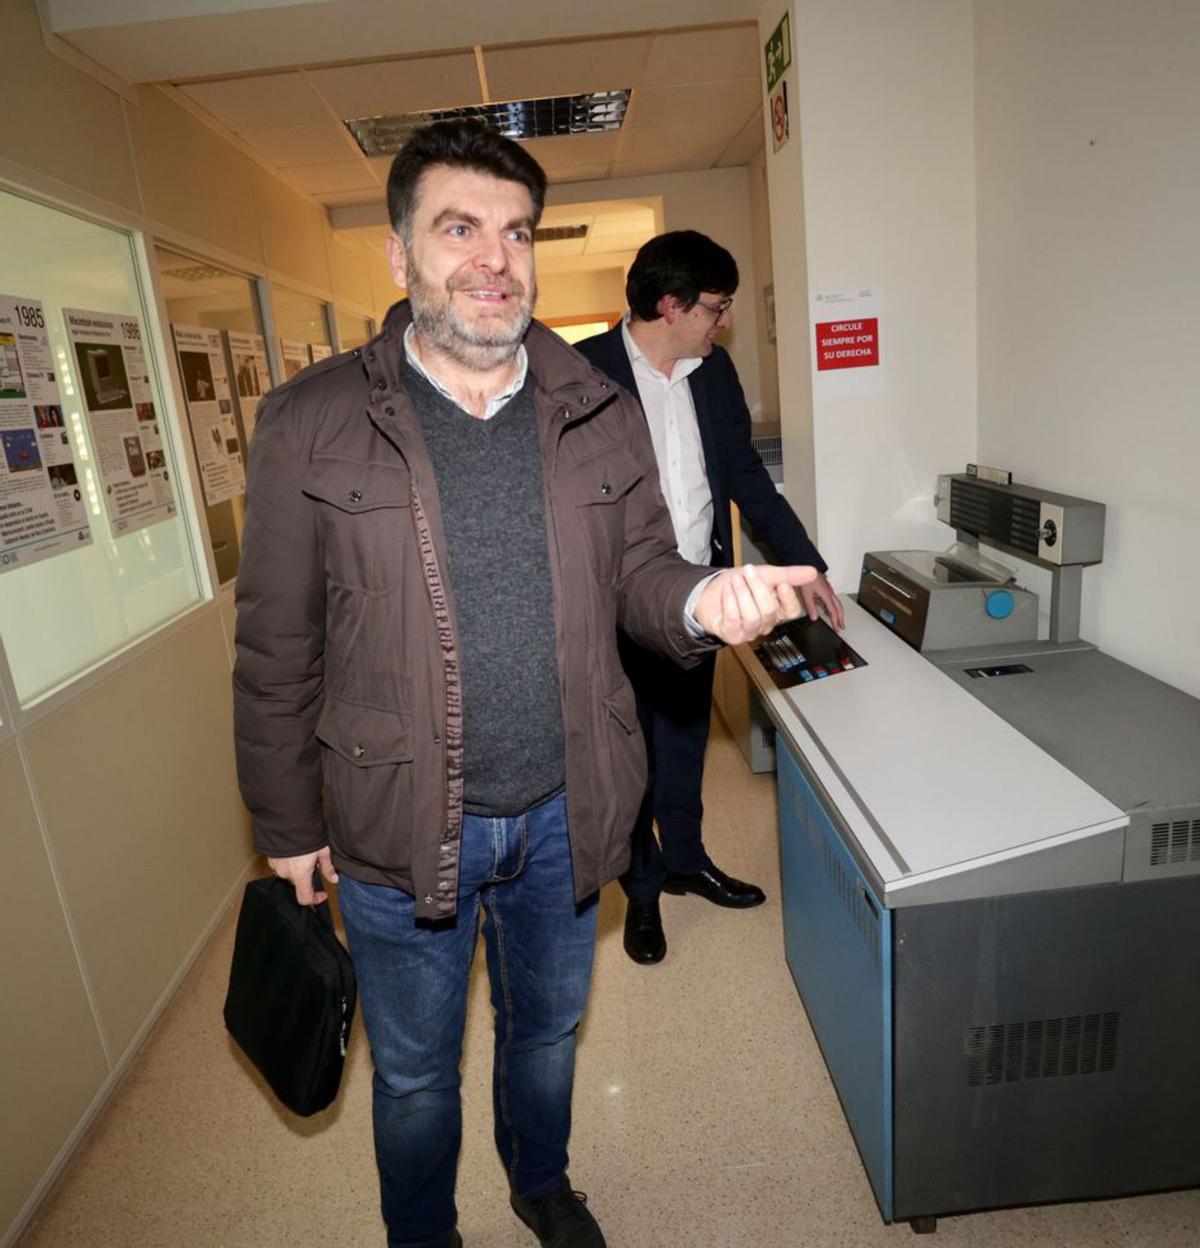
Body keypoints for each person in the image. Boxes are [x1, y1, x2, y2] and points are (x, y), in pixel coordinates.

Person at [232, 120, 819, 1248]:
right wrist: (283, 819)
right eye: (459, 228)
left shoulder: (590, 405)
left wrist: (704, 601)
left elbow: (645, 565)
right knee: (412, 1074)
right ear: (401, 255)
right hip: (396, 819)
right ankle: (424, 1233)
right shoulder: (310, 423)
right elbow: (275, 646)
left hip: (567, 805)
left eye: (516, 231)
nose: (494, 257)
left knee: (547, 1031)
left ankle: (540, 1182)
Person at [576, 232, 844, 966]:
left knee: (685, 740)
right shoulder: (582, 374)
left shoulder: (712, 372)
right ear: (671, 305)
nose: (723, 322)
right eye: (715, 308)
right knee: (628, 753)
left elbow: (746, 478)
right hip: (617, 604)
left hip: (698, 600)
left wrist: (805, 563)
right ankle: (641, 888)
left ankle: (687, 858)